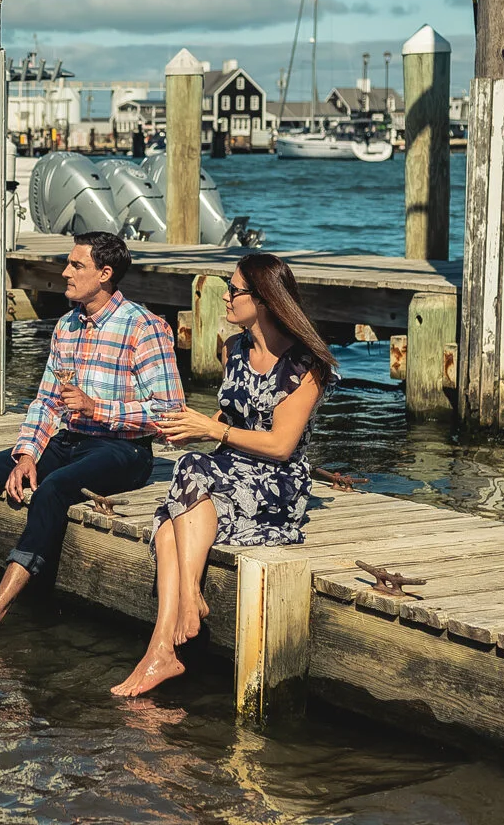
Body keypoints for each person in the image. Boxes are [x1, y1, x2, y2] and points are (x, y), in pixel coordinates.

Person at [0, 231, 183, 644]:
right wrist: (26, 454)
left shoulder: (145, 327)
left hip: (125, 449)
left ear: (105, 273)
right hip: (71, 439)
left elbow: (169, 414)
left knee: (54, 490)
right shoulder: (66, 326)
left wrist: (98, 409)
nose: (65, 272)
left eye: (77, 265)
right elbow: (46, 402)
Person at [111, 252, 338, 697]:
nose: (226, 298)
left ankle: (174, 624)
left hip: (277, 484)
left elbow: (279, 445)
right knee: (178, 494)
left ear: (266, 299)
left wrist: (209, 429)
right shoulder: (233, 348)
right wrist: (188, 430)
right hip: (230, 470)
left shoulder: (304, 366)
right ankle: (164, 646)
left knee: (174, 509)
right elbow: (230, 413)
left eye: (234, 290)